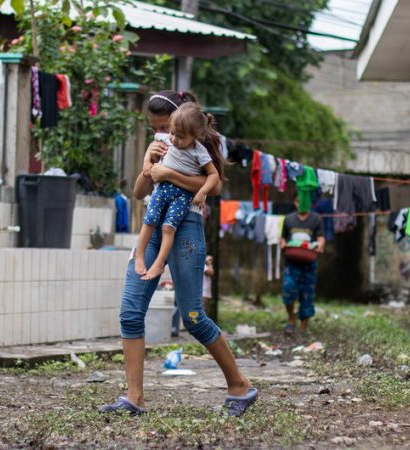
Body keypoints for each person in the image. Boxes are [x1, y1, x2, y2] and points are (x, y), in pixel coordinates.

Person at [99, 90, 257, 417]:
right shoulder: (161, 144)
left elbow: (212, 185)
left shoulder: (197, 146)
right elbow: (140, 191)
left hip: (186, 227)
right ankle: (134, 398)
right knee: (130, 311)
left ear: (181, 122)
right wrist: (150, 164)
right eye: (154, 128)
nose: (161, 134)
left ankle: (239, 385)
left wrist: (169, 174)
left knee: (193, 317)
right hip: (152, 226)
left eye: (164, 127)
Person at [134, 103, 220, 280]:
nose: (174, 139)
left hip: (182, 195)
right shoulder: (166, 139)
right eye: (172, 133)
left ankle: (159, 265)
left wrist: (202, 192)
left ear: (195, 137)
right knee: (149, 220)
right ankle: (139, 256)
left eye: (180, 137)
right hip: (162, 190)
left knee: (168, 227)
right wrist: (146, 162)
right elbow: (151, 149)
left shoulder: (199, 152)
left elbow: (214, 176)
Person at [279, 194, 325, 335]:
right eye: (299, 201)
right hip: (291, 263)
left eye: (304, 200)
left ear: (309, 202)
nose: (301, 203)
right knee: (288, 289)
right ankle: (291, 318)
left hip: (309, 263)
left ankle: (303, 325)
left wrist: (319, 246)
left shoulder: (316, 219)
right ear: (295, 202)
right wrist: (284, 245)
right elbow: (282, 238)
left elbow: (321, 238)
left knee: (307, 294)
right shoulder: (289, 219)